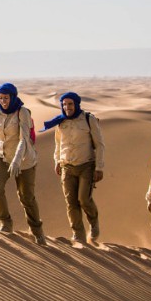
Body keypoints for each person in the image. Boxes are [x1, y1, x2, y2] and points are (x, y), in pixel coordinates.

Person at [0, 83, 46, 245]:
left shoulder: (23, 113)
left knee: (26, 198)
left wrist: (17, 161)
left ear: (12, 97)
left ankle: (37, 231)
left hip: (25, 161)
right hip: (3, 159)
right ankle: (5, 223)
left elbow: (24, 140)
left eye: (6, 98)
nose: (3, 101)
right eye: (0, 98)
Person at [41, 92, 105, 244]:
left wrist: (99, 167)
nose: (67, 107)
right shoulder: (60, 122)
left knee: (83, 199)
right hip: (66, 166)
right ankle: (78, 235)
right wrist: (57, 161)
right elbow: (58, 144)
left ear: (76, 104)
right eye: (64, 104)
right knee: (71, 202)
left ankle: (94, 222)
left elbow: (100, 145)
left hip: (86, 165)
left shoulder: (89, 120)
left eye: (70, 104)